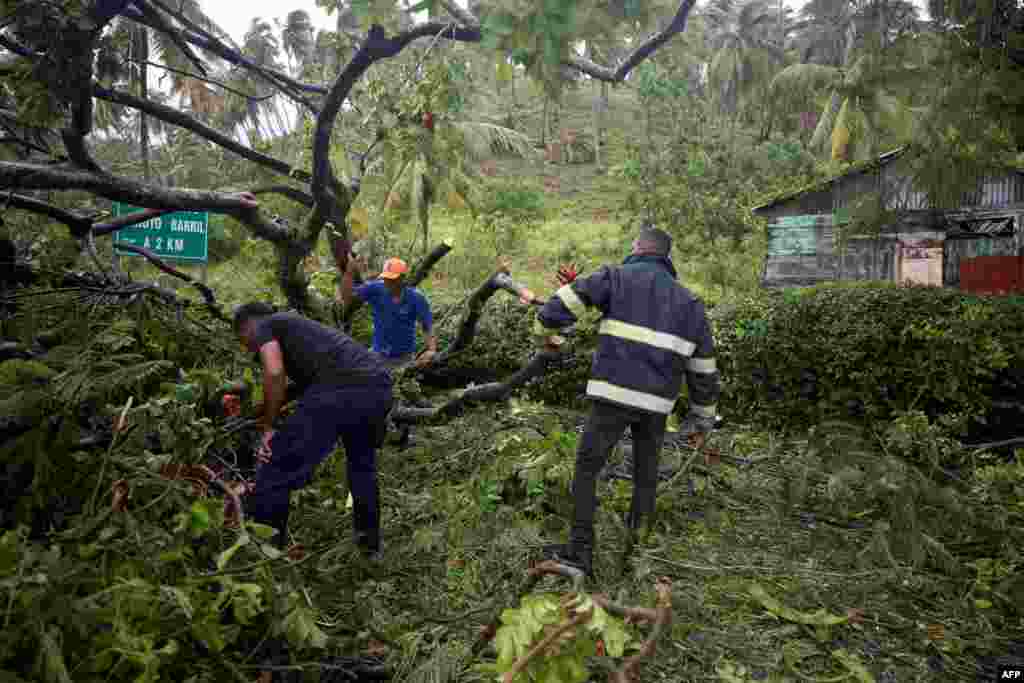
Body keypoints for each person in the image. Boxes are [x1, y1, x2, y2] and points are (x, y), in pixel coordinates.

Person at [520, 224, 721, 577]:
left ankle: (580, 551)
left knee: (587, 468)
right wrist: (703, 418)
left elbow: (554, 310)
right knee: (646, 475)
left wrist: (546, 339)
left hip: (612, 396)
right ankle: (636, 553)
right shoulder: (690, 303)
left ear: (638, 247)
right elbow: (703, 368)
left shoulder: (614, 277)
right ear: (666, 257)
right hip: (657, 406)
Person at [233, 303, 393, 556]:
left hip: (340, 388)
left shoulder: (266, 325)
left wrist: (268, 427)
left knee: (276, 467)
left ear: (248, 327)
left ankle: (265, 553)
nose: (248, 348)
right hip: (377, 386)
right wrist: (259, 412)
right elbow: (295, 387)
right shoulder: (304, 333)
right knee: (362, 468)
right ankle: (370, 549)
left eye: (243, 340)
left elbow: (274, 374)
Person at [337, 255, 437, 371]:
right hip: (377, 355)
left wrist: (431, 350)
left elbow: (427, 325)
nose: (388, 282)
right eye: (386, 278)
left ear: (402, 278)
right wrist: (349, 273)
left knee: (398, 385)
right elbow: (348, 298)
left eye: (392, 279)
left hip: (404, 358)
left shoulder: (416, 298)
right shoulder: (375, 288)